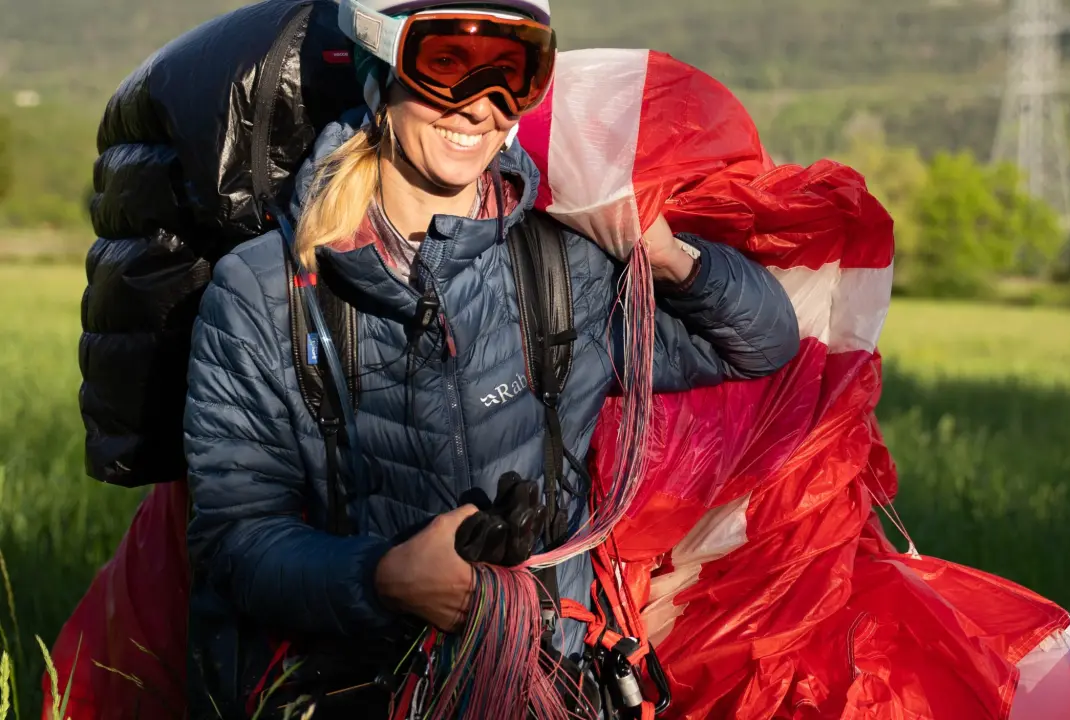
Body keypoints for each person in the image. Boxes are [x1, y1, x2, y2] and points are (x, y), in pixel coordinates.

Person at [182, 0, 801, 716]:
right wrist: (384, 578)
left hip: (554, 683)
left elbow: (760, 342)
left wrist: (665, 257)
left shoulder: (561, 265)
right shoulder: (265, 291)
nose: (480, 105)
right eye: (447, 63)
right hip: (357, 690)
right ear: (379, 70)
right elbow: (236, 540)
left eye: (512, 71)